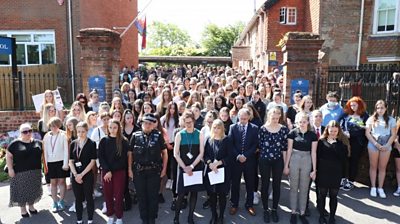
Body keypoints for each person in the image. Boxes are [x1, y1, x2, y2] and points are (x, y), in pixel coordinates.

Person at [128, 113, 168, 224]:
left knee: (153, 196)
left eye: (150, 123)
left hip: (154, 171)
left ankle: (152, 218)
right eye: (145, 123)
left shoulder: (158, 135)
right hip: (139, 171)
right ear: (141, 124)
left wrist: (164, 169)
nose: (147, 125)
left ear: (153, 125)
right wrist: (130, 170)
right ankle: (144, 218)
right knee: (141, 196)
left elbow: (164, 153)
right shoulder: (135, 136)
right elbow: (130, 153)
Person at [284, 112, 318, 224]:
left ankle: (302, 212)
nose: (302, 124)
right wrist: (286, 165)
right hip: (294, 158)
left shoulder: (312, 135)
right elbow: (289, 150)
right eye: (300, 122)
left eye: (304, 122)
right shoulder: (292, 133)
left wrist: (314, 169)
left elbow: (314, 152)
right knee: (293, 187)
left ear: (308, 122)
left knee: (304, 188)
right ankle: (293, 212)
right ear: (296, 122)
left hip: (307, 159)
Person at [173, 111, 205, 224]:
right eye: (186, 123)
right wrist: (185, 167)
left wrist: (191, 166)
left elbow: (201, 153)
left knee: (194, 193)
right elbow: (175, 153)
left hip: (195, 167)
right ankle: (176, 217)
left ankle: (190, 217)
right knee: (181, 194)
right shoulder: (179, 134)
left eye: (190, 122)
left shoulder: (199, 133)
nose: (188, 124)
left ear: (194, 121)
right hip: (183, 167)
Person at [258, 107, 289, 223]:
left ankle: (274, 209)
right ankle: (265, 209)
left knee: (276, 185)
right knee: (265, 185)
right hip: (264, 160)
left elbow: (284, 149)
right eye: (273, 118)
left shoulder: (284, 130)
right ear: (269, 116)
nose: (275, 120)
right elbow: (260, 146)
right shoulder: (262, 129)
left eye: (277, 118)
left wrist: (286, 165)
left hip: (278, 161)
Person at [6, 123, 43, 218]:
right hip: (20, 173)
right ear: (20, 133)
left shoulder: (38, 142)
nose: (28, 133)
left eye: (30, 131)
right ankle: (23, 209)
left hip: (35, 172)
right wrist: (10, 169)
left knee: (33, 190)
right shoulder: (15, 144)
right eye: (25, 132)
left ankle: (31, 206)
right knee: (21, 191)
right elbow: (9, 157)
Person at [316, 121, 349, 224]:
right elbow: (317, 157)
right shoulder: (321, 141)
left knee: (333, 196)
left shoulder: (341, 143)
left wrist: (334, 144)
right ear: (327, 130)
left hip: (335, 173)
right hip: (323, 172)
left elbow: (343, 159)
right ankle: (321, 216)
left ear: (338, 131)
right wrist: (315, 171)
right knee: (322, 195)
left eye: (335, 131)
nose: (333, 133)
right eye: (331, 131)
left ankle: (332, 217)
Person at [98, 119, 130, 224]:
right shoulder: (104, 141)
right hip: (106, 172)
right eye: (110, 127)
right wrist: (107, 170)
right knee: (108, 194)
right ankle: (110, 216)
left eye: (115, 127)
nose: (112, 129)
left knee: (119, 195)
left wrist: (112, 170)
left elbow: (123, 159)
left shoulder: (123, 141)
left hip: (119, 172)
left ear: (118, 128)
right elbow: (101, 157)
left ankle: (119, 217)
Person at [228, 108, 259, 216]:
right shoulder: (233, 127)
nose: (243, 121)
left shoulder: (255, 128)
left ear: (249, 118)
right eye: (241, 119)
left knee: (250, 184)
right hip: (236, 161)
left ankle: (249, 205)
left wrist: (245, 155)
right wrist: (238, 156)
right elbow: (230, 144)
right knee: (235, 184)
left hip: (249, 161)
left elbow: (255, 144)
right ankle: (234, 205)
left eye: (245, 119)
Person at [365, 100, 397, 198]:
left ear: (386, 108)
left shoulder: (391, 120)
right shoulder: (371, 119)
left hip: (386, 144)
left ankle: (380, 188)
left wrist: (387, 145)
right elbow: (367, 133)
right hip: (373, 143)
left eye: (382, 108)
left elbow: (393, 134)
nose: (380, 110)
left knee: (382, 167)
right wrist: (375, 143)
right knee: (373, 166)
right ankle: (373, 187)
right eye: (378, 108)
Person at [69, 122, 97, 224]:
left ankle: (90, 220)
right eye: (79, 131)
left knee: (89, 197)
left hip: (87, 174)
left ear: (87, 131)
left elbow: (92, 161)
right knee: (78, 198)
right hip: (75, 175)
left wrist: (82, 174)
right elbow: (71, 161)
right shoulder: (73, 143)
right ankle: (79, 220)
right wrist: (76, 175)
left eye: (83, 131)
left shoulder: (91, 143)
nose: (80, 134)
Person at [204, 119, 230, 224]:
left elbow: (230, 156)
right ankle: (214, 215)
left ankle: (221, 217)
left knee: (222, 195)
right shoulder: (209, 140)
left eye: (218, 127)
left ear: (222, 129)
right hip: (211, 172)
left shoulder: (227, 140)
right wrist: (210, 163)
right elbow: (205, 155)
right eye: (214, 127)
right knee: (212, 195)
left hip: (222, 172)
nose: (216, 129)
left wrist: (218, 163)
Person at [340, 97, 369, 191]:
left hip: (358, 141)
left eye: (354, 105)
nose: (352, 107)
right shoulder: (346, 114)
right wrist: (344, 132)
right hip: (346, 140)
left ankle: (351, 181)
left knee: (354, 160)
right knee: (344, 159)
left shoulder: (364, 115)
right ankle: (343, 179)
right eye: (351, 105)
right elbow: (340, 124)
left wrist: (361, 125)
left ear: (359, 105)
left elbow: (368, 128)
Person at [43, 117, 70, 212]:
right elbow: (45, 151)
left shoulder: (63, 135)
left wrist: (65, 163)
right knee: (53, 183)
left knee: (62, 182)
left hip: (61, 162)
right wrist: (45, 165)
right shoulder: (46, 136)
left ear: (59, 126)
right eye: (51, 126)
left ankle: (61, 201)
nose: (53, 128)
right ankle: (55, 202)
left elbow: (66, 150)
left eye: (55, 126)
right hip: (50, 163)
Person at [393, 120, 400, 197]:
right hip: (398, 149)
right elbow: (395, 138)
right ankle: (399, 187)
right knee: (399, 169)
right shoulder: (398, 124)